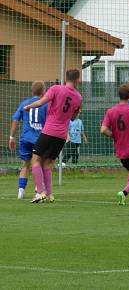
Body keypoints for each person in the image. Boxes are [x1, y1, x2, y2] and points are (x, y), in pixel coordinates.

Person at [25, 69, 83, 203]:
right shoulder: (79, 97)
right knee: (48, 163)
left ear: (66, 78)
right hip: (62, 134)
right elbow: (74, 117)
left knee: (36, 160)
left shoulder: (56, 88)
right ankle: (50, 194)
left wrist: (28, 106)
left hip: (49, 130)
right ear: (77, 80)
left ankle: (40, 192)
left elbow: (40, 103)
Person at [8, 81, 48, 199]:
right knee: (39, 164)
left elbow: (15, 120)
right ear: (43, 91)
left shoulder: (24, 103)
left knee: (25, 165)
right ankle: (38, 190)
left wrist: (11, 137)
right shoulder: (45, 105)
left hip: (25, 139)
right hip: (40, 139)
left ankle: (21, 191)